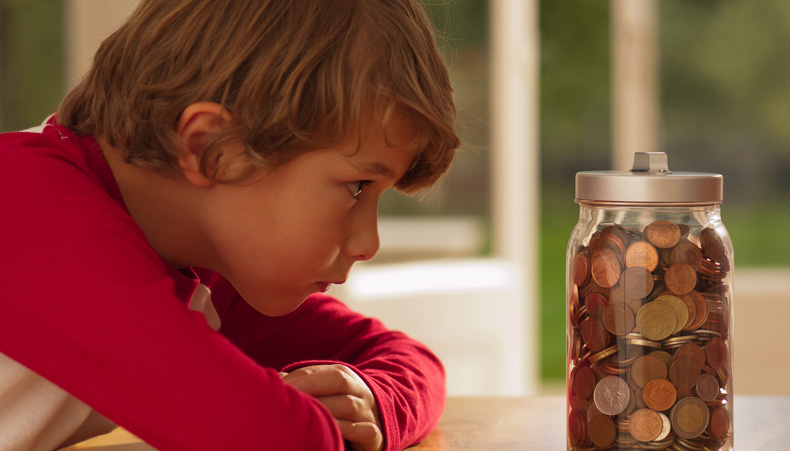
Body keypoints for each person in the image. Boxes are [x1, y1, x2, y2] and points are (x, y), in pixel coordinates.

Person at [0, 0, 459, 450]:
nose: (368, 243)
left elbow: (405, 359)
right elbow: (277, 439)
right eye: (358, 186)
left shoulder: (196, 268)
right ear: (215, 150)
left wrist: (371, 403)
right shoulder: (23, 206)